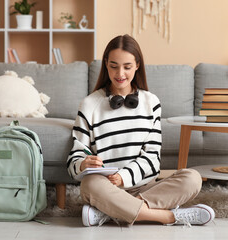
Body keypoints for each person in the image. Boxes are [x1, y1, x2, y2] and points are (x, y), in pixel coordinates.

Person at [67, 34, 215, 227]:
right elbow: (74, 158)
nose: (120, 73)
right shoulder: (89, 104)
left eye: (127, 67)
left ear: (137, 65)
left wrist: (123, 177)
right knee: (89, 184)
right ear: (106, 64)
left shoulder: (151, 102)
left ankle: (109, 212)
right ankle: (169, 217)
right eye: (113, 66)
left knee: (192, 178)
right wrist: (82, 164)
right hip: (105, 188)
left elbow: (153, 159)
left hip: (145, 187)